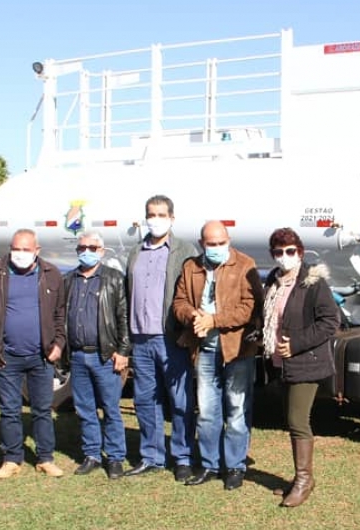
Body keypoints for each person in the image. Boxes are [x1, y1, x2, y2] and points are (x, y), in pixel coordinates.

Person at [172, 220, 262, 490]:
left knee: (236, 409)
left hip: (237, 349)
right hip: (204, 349)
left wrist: (214, 320)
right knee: (208, 411)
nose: (216, 248)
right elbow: (179, 302)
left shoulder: (245, 265)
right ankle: (210, 464)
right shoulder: (191, 267)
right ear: (202, 244)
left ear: (229, 240)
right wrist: (192, 315)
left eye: (221, 243)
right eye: (211, 244)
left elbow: (250, 307)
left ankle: (235, 466)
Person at [261, 228, 340, 508]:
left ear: (301, 252)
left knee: (298, 421)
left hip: (305, 361)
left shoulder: (312, 282)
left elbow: (330, 321)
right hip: (281, 362)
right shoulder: (274, 280)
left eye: (290, 251)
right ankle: (299, 479)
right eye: (279, 252)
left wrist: (295, 344)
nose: (285, 257)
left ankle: (304, 480)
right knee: (291, 419)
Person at [123, 194, 199, 482]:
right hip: (140, 339)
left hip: (171, 339)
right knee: (144, 401)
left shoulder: (184, 250)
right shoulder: (135, 252)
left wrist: (187, 334)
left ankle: (182, 456)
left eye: (160, 214)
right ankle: (151, 456)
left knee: (180, 401)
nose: (155, 219)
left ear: (172, 218)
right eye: (150, 214)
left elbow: (192, 294)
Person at [0, 229, 67, 480]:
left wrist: (59, 344)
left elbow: (60, 314)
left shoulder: (51, 274)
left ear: (37, 250)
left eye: (26, 249)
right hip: (6, 356)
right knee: (9, 409)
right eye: (16, 248)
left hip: (41, 356)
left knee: (42, 409)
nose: (20, 254)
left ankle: (45, 458)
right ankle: (12, 458)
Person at [63, 231, 130, 479]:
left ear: (102, 251)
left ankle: (115, 458)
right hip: (78, 356)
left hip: (105, 356)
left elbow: (123, 316)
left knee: (111, 408)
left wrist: (123, 351)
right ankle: (91, 453)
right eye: (82, 247)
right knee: (85, 408)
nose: (87, 251)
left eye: (92, 247)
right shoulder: (69, 280)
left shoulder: (113, 279)